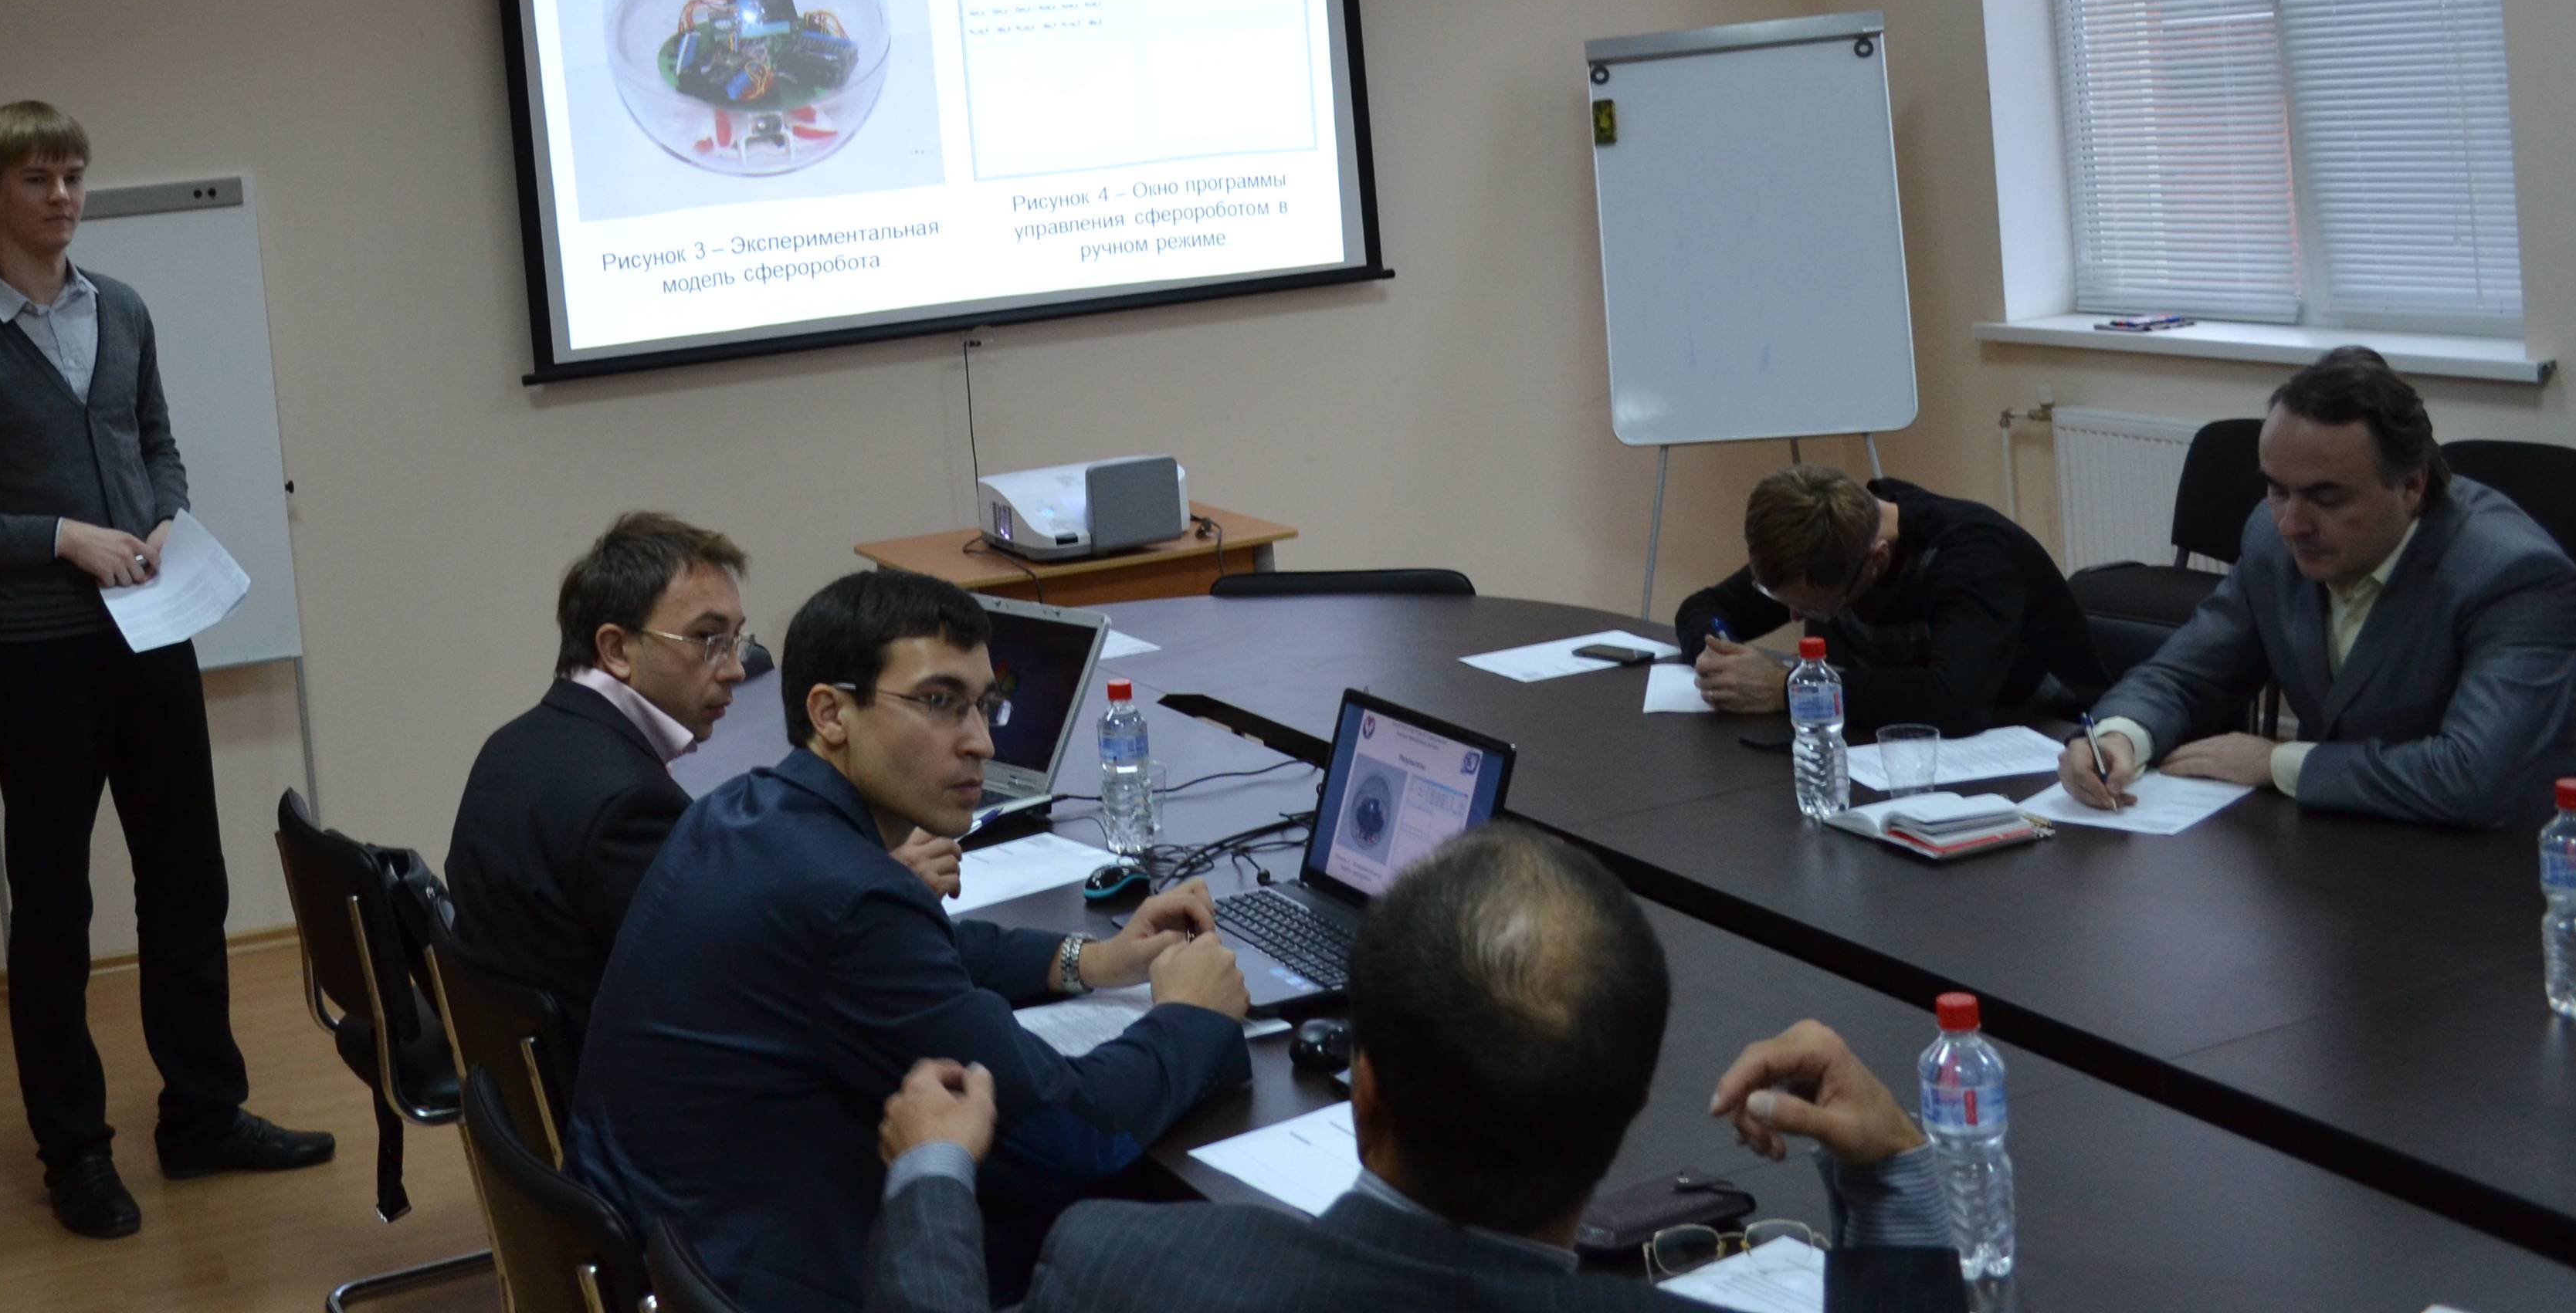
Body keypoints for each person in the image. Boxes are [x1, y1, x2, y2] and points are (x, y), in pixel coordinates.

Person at [864, 826, 1951, 1313]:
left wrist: (932, 1176)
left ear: (1364, 1089)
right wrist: (1890, 1175)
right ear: (1627, 1111)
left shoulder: (1118, 1265)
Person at [0, 102, 333, 1237]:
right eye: (38, 179)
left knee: (188, 882)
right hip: (43, 663)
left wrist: (167, 513)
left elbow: (156, 442)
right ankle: (75, 1151)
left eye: (74, 175)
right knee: (54, 908)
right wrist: (56, 538)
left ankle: (203, 1117)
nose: (63, 196)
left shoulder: (121, 310)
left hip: (154, 639)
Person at [565, 569, 1252, 1313]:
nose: (981, 742)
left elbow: (920, 947)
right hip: (775, 1279)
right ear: (831, 713)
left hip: (678, 1248)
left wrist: (1089, 960)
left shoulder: (743, 811)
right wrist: (1189, 1016)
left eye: (985, 706)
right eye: (939, 702)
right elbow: (1077, 1130)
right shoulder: (847, 898)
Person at [2058, 346, 2576, 830]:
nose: (2292, 523)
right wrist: (2121, 736)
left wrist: (2276, 763)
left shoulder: (2514, 575)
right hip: (2354, 841)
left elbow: (2471, 776)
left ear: (2411, 485)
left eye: (2327, 497)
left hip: (2520, 869)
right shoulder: (2273, 540)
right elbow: (2187, 673)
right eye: (2278, 490)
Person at [448, 515, 961, 1028]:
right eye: (708, 640)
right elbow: (742, 980)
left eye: (736, 640)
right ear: (617, 650)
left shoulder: (516, 743)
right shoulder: (628, 805)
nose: (736, 669)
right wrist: (883, 890)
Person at [1673, 465, 2105, 734]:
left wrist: (1792, 691)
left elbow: (1955, 701)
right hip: (1899, 749)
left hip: (2049, 739)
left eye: (1816, 609)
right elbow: (1703, 607)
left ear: (1875, 560)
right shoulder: (1820, 540)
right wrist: (1720, 656)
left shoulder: (1975, 559)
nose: (1793, 614)